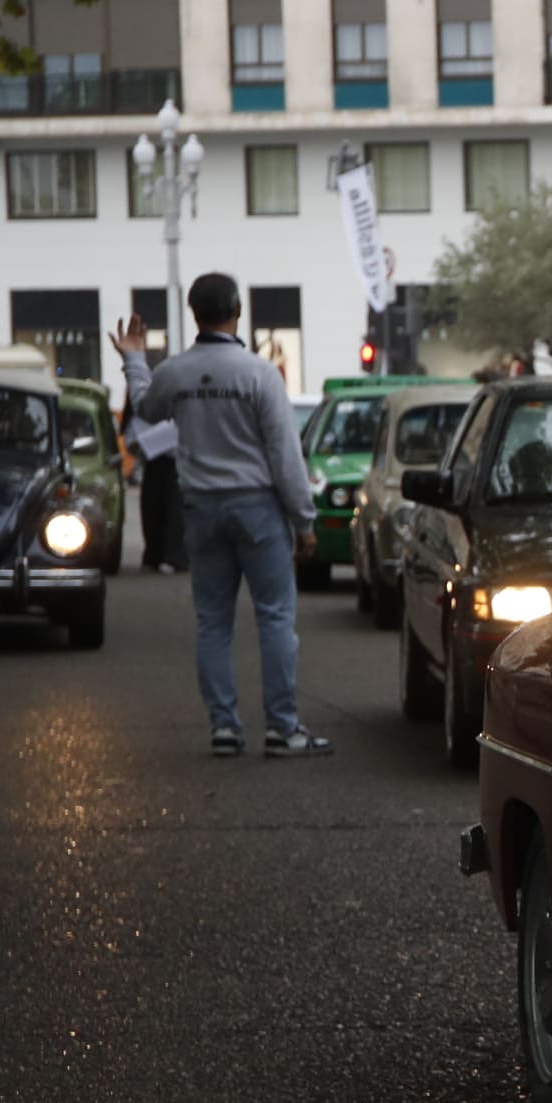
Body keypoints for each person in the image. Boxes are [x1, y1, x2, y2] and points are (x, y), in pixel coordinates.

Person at [113, 274, 333, 757]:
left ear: (193, 313)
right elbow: (285, 454)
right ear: (238, 309)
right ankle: (282, 728)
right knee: (275, 619)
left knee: (213, 622)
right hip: (257, 508)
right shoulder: (258, 374)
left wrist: (133, 359)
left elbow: (146, 407)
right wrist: (303, 521)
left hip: (201, 508)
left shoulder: (177, 371)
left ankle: (225, 728)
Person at [122, 392, 189, 572]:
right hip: (155, 458)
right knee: (153, 506)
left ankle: (173, 556)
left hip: (174, 458)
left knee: (172, 507)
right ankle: (155, 553)